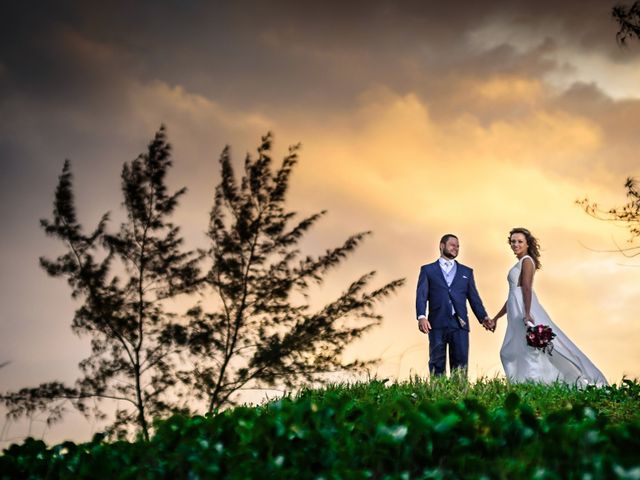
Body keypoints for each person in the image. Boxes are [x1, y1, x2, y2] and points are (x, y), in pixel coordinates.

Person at [490, 227, 607, 386]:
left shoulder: (527, 261)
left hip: (523, 309)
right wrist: (496, 317)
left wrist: (527, 312)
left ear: (527, 244)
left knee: (528, 348)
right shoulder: (519, 263)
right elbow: (513, 295)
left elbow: (526, 287)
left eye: (519, 242)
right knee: (517, 348)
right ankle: (525, 382)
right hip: (515, 309)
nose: (515, 244)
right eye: (513, 242)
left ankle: (536, 381)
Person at [415, 234, 493, 376]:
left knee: (461, 364)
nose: (456, 248)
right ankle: (438, 394)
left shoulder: (466, 272)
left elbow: (474, 298)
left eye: (458, 246)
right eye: (452, 245)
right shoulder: (428, 270)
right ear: (441, 245)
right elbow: (421, 296)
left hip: (460, 324)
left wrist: (483, 318)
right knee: (436, 362)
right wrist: (421, 316)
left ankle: (459, 396)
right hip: (436, 323)